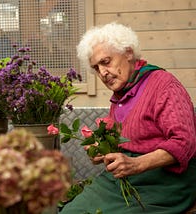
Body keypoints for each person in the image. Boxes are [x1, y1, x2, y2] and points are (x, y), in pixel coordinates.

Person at [59, 22, 196, 214]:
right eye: (96, 68)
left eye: (106, 62)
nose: (103, 73)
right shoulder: (122, 94)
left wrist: (136, 164)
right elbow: (123, 137)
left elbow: (185, 143)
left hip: (164, 182)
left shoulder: (165, 86)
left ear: (128, 53)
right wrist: (100, 149)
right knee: (71, 211)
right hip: (125, 179)